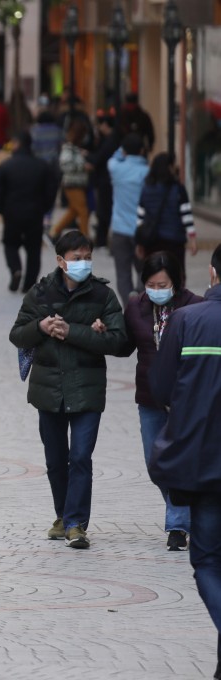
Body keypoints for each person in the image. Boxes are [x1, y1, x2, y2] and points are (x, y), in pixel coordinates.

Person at [9, 230, 127, 550]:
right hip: (49, 391)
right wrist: (41, 328)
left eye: (88, 257)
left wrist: (74, 332)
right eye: (77, 258)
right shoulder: (41, 293)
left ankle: (76, 524)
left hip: (87, 389)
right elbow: (17, 335)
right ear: (61, 261)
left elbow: (121, 342)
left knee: (81, 457)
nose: (84, 263)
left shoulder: (102, 296)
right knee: (56, 460)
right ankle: (63, 516)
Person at [149, 244, 221, 680]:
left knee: (209, 561)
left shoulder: (187, 320)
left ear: (212, 274)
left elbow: (160, 387)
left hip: (206, 464)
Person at [121, 251, 201, 550]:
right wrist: (98, 331)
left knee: (182, 461)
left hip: (185, 400)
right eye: (151, 284)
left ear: (176, 282)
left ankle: (178, 525)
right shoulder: (135, 307)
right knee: (155, 463)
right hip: (150, 398)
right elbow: (123, 345)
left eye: (162, 284)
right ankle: (186, 511)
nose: (156, 289)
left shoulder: (194, 307)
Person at [0, 131, 58, 293]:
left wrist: (1, 208)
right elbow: (51, 190)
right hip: (35, 212)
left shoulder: (6, 166)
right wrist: (45, 208)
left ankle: (15, 269)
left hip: (12, 211)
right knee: (33, 248)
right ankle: (29, 283)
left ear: (17, 144)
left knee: (10, 243)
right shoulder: (42, 166)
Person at [137, 152, 198, 271]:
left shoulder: (146, 189)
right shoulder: (178, 189)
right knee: (176, 276)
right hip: (174, 241)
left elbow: (140, 218)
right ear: (169, 167)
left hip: (152, 241)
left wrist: (139, 242)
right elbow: (186, 216)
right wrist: (193, 239)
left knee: (153, 274)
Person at [108, 134, 150, 300]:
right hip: (141, 229)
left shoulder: (115, 167)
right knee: (145, 269)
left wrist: (122, 150)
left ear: (124, 151)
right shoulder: (146, 172)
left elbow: (114, 156)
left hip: (119, 228)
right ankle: (140, 297)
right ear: (142, 150)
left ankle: (129, 304)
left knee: (123, 272)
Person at [51, 121, 92, 239]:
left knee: (74, 211)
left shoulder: (75, 148)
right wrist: (82, 167)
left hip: (77, 183)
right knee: (83, 211)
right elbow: (65, 165)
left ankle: (54, 231)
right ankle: (85, 237)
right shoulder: (69, 148)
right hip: (72, 183)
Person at [89, 114, 120, 248]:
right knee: (104, 209)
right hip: (105, 179)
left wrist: (90, 158)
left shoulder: (110, 141)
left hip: (106, 180)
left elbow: (99, 157)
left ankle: (101, 239)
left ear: (106, 125)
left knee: (104, 210)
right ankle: (102, 238)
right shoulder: (107, 139)